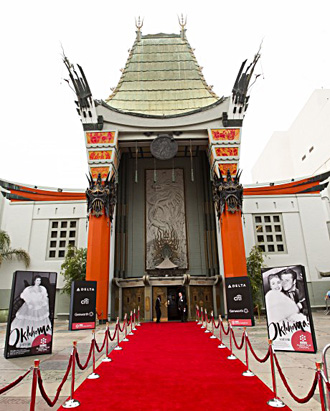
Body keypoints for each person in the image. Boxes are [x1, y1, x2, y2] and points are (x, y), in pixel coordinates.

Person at [9, 275, 52, 347]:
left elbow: (45, 297)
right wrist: (30, 303)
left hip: (40, 307)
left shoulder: (42, 289)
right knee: (27, 321)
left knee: (41, 322)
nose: (39, 282)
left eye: (40, 280)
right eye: (37, 280)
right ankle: (25, 338)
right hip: (30, 307)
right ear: (34, 281)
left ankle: (40, 338)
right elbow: (24, 296)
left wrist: (43, 304)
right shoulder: (29, 289)